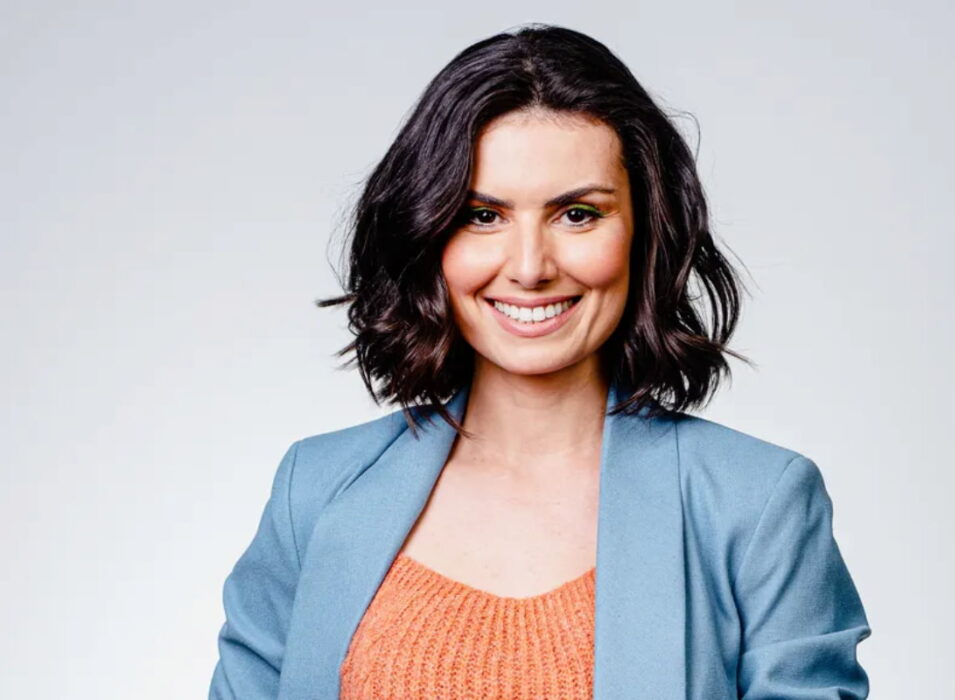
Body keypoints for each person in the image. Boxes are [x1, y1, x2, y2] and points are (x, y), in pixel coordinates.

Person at [208, 22, 872, 700]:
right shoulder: (316, 492)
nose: (529, 268)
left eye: (577, 214)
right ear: (427, 233)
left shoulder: (757, 506)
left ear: (646, 231)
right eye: (482, 216)